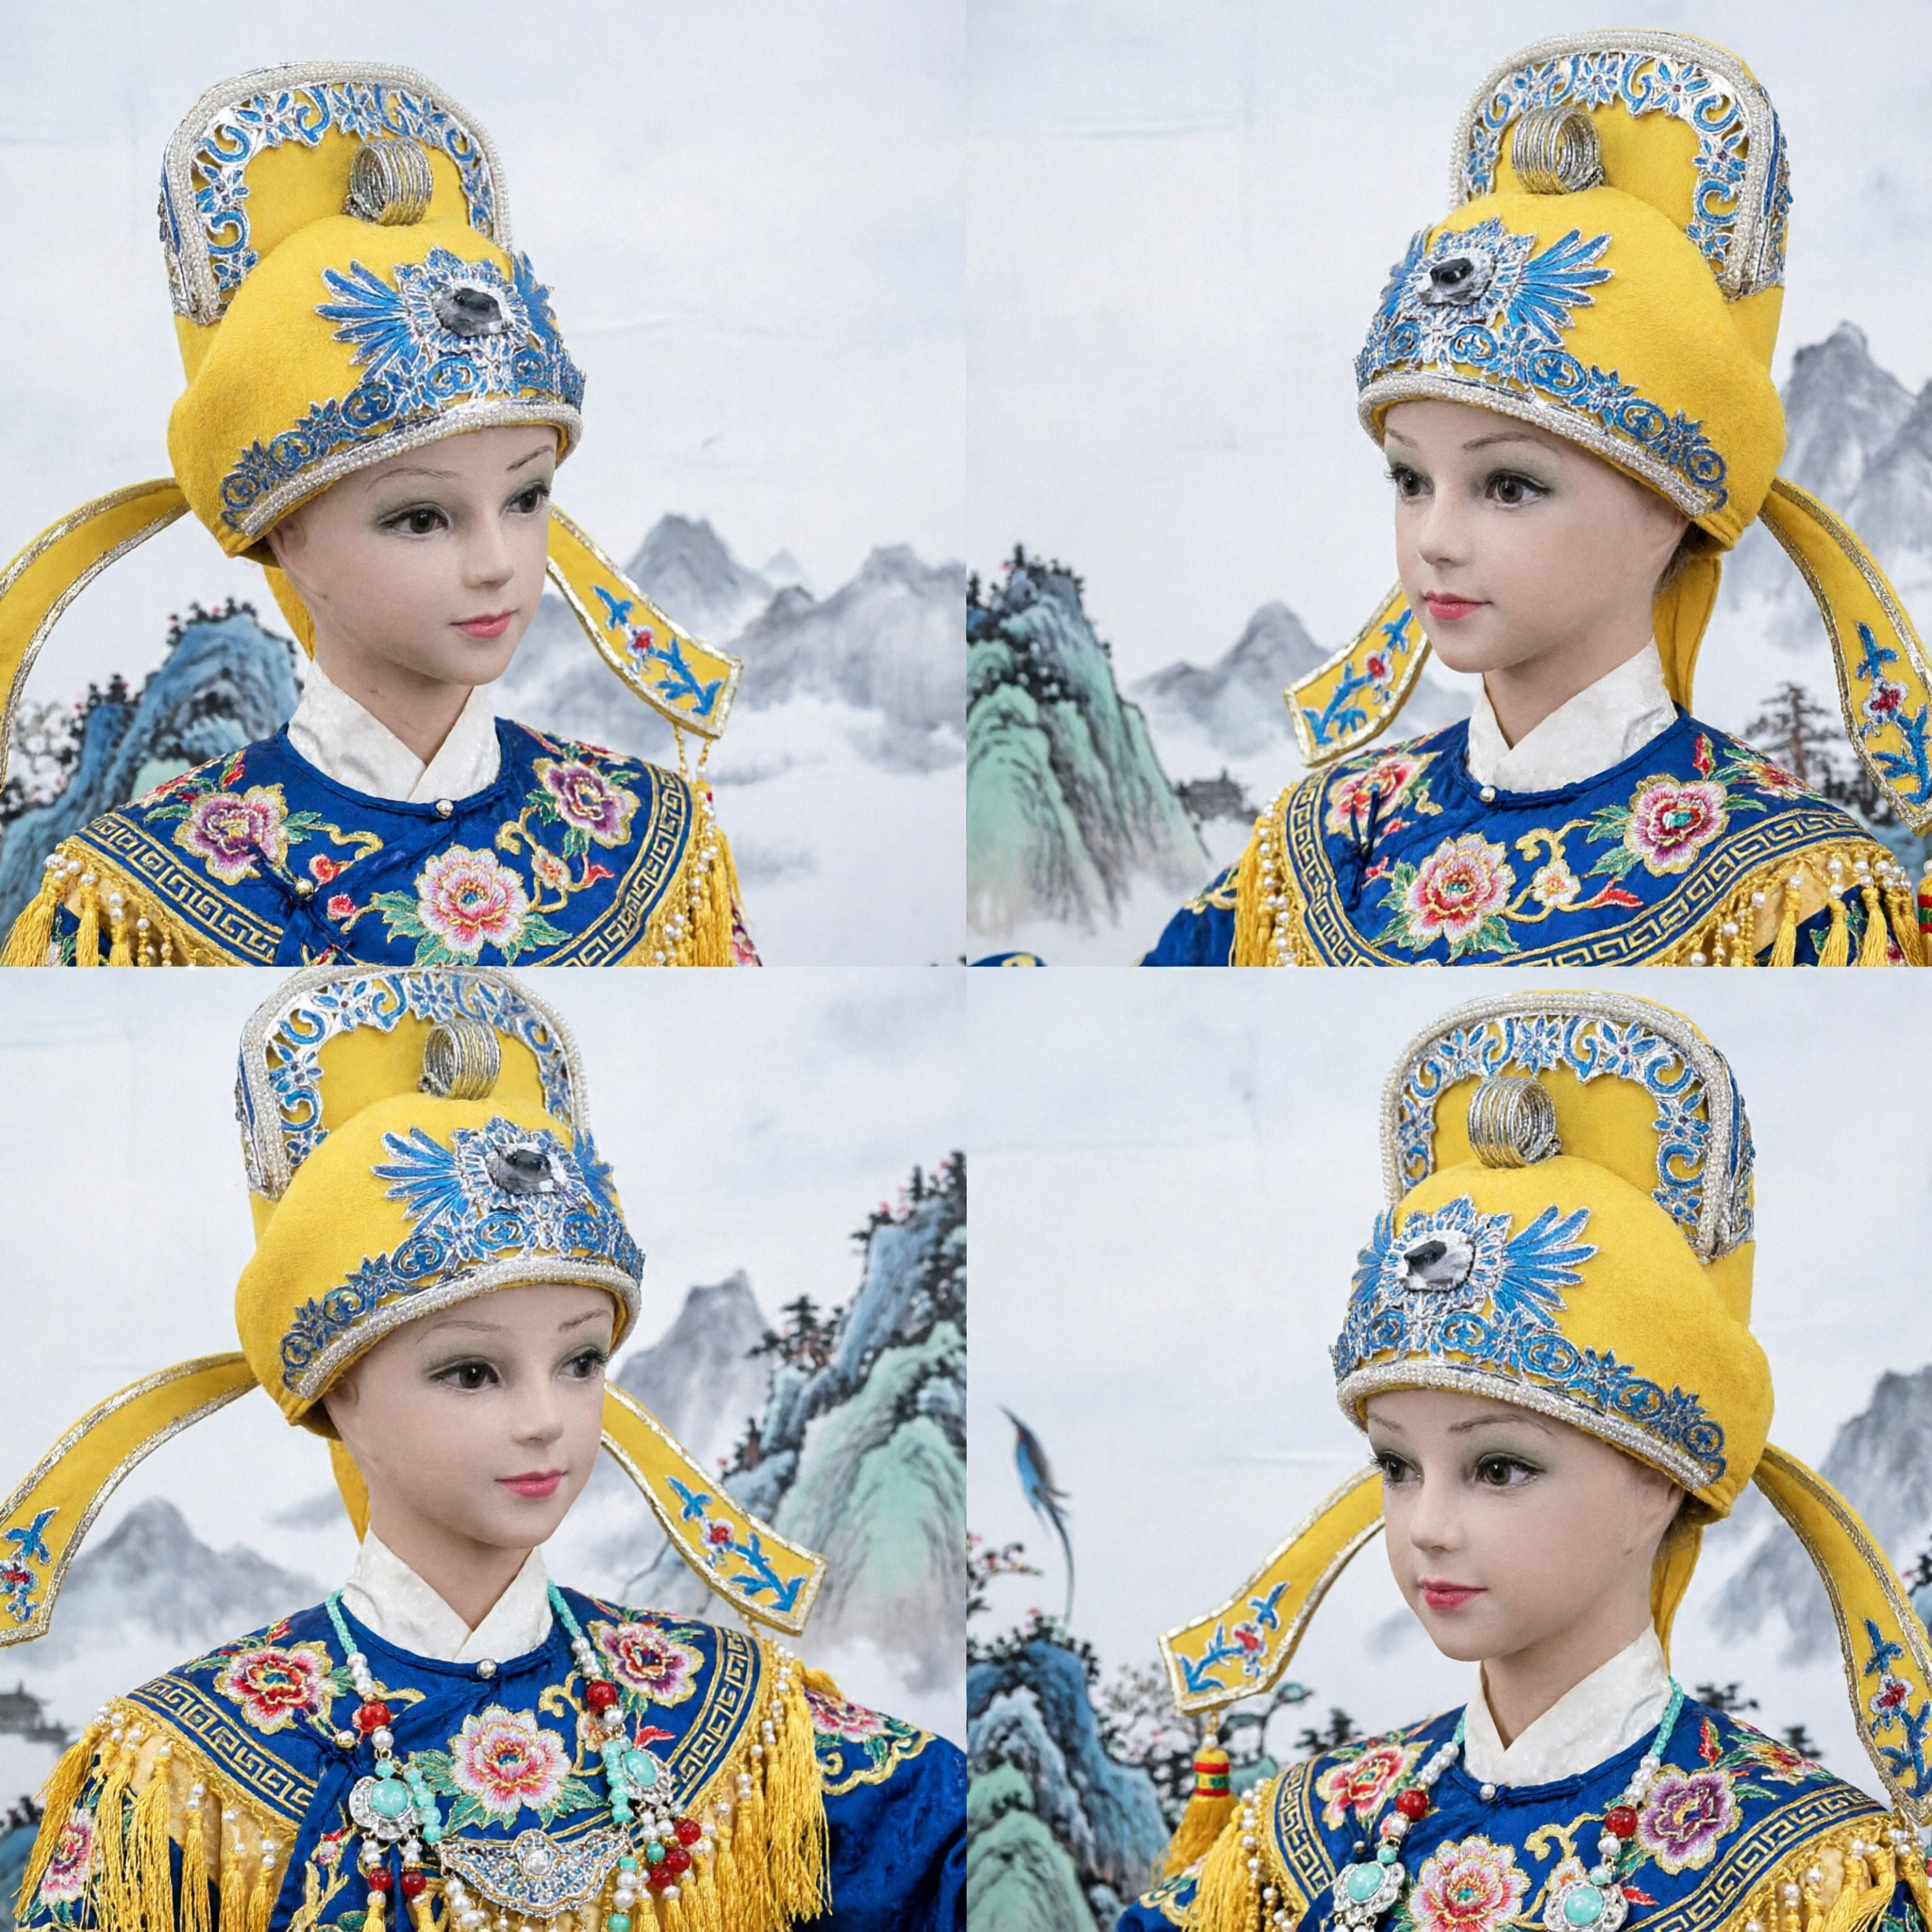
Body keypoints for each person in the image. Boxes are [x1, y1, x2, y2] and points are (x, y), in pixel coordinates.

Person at [3, 967, 964, 1928]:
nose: (546, 1415)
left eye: (581, 1358)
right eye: (472, 1371)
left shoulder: (739, 1716)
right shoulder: (185, 1763)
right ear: (332, 1387)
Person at [1123, 989, 1932, 1931]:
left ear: (1656, 1483)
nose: (1424, 1524)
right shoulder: (1297, 1838)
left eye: (1498, 1467)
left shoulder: (1807, 1878)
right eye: (1395, 1465)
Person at [1146, 31, 1932, 967]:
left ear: (1669, 506)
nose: (1433, 538)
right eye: (1408, 479)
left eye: (1507, 485)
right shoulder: (1317, 838)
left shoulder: (1797, 890)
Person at [0, 64, 753, 968]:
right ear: (280, 530)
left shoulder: (655, 842)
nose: (496, 563)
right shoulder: (134, 896)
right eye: (421, 518)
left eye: (525, 499)